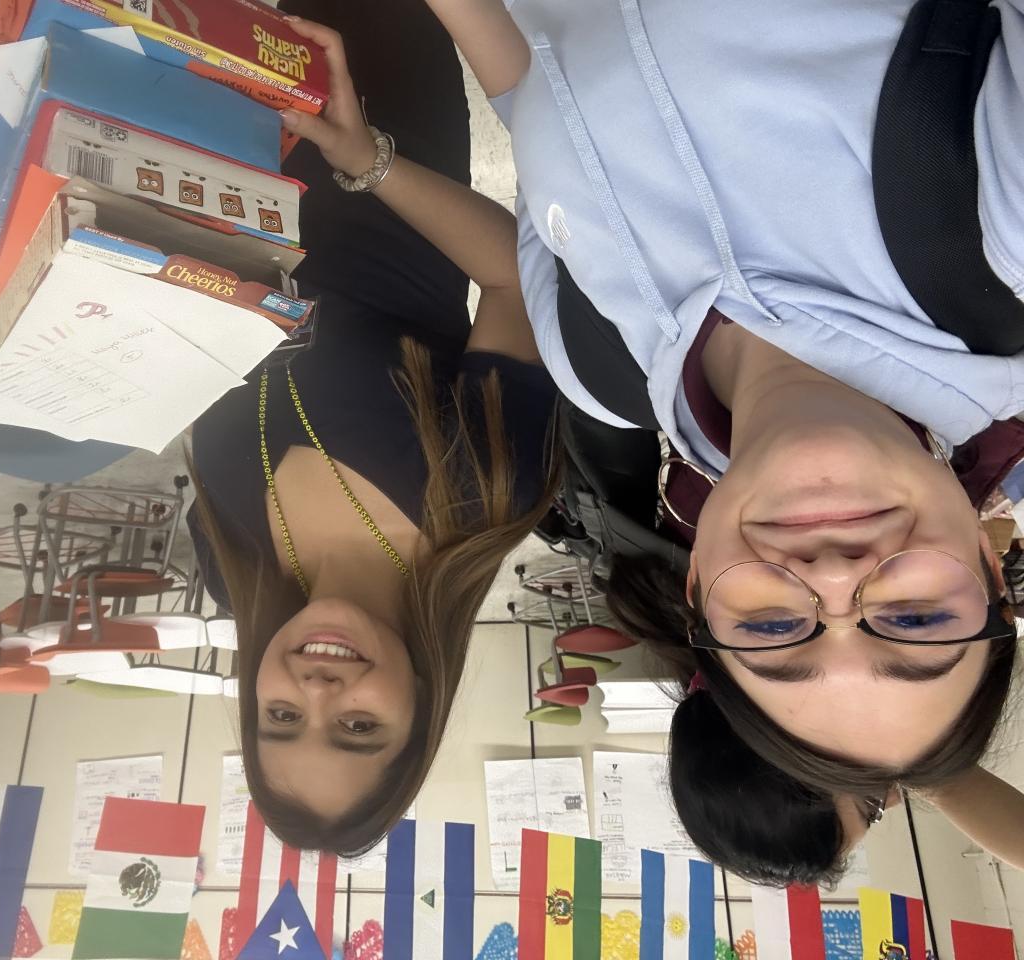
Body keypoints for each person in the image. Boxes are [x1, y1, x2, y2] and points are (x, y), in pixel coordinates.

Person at [426, 0, 1024, 880]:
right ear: (988, 561)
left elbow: (536, 97)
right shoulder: (999, 242)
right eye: (915, 619)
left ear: (700, 590)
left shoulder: (596, 368)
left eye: (775, 629)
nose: (833, 579)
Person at [188, 0, 558, 855]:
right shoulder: (483, 501)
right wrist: (365, 159)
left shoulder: (233, 568)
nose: (317, 691)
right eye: (358, 728)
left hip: (203, 169)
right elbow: (517, 280)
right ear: (420, 709)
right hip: (374, 128)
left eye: (282, 718)